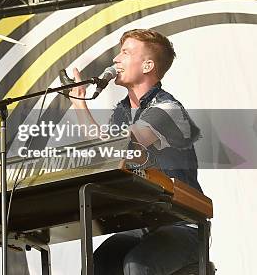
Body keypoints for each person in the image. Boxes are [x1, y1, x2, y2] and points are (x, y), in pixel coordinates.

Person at [68, 29, 203, 275]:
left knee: (138, 264)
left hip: (182, 223)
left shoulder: (167, 109)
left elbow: (118, 146)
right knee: (99, 265)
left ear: (148, 65)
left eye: (125, 53)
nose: (115, 59)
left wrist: (79, 106)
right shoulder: (121, 113)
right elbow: (105, 155)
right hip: (143, 223)